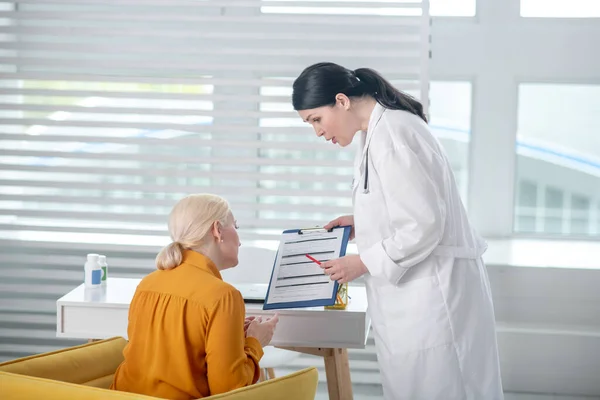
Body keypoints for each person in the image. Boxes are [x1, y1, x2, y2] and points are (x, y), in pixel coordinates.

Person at [292, 62, 503, 400]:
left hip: (435, 296)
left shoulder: (393, 133)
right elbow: (408, 207)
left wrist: (362, 263)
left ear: (342, 101)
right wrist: (364, 222)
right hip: (413, 302)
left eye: (316, 119)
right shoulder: (374, 132)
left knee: (443, 388)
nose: (317, 131)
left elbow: (425, 224)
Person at [110, 194, 279, 399]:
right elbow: (228, 390)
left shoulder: (147, 284)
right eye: (236, 226)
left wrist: (234, 339)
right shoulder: (224, 296)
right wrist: (255, 342)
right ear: (217, 230)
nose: (240, 241)